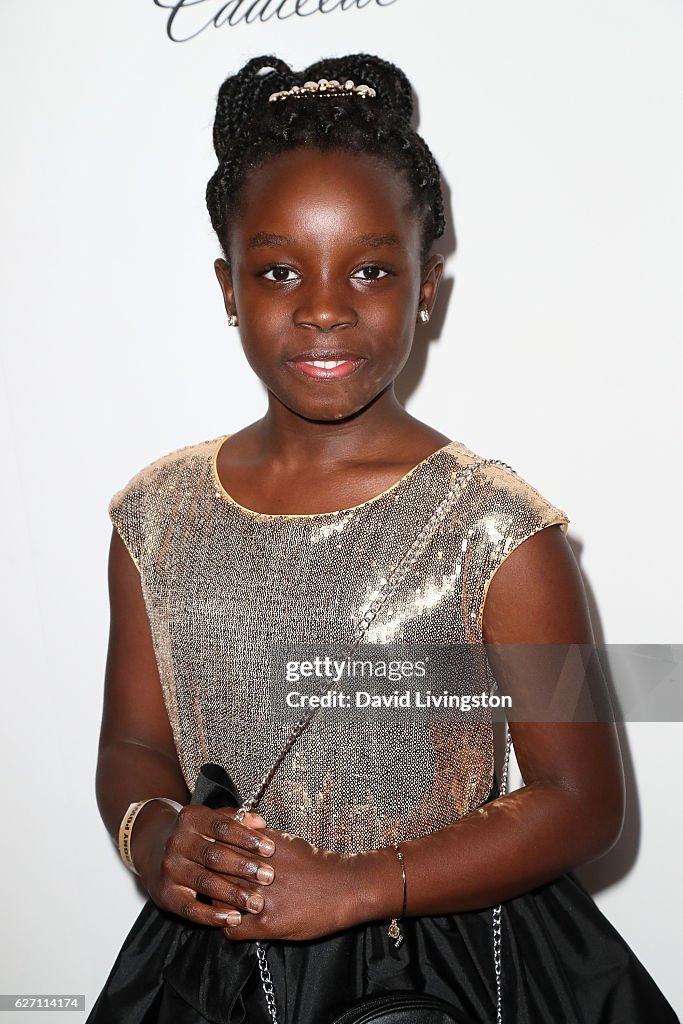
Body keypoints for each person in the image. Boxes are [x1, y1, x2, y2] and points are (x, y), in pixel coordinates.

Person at [88, 54, 679, 1024]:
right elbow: (133, 739)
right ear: (227, 285)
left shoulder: (496, 526)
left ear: (426, 285)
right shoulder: (154, 519)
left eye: (369, 268)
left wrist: (360, 884)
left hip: (447, 972)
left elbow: (582, 799)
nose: (323, 306)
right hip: (217, 972)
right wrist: (155, 835)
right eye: (278, 270)